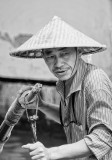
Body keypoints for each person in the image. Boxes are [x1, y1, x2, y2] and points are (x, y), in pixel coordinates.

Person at [10, 16, 112, 160]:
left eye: (65, 54)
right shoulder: (66, 80)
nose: (58, 64)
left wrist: (51, 153)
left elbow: (103, 137)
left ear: (79, 51)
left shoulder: (95, 81)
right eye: (50, 56)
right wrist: (41, 105)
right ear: (43, 57)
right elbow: (69, 119)